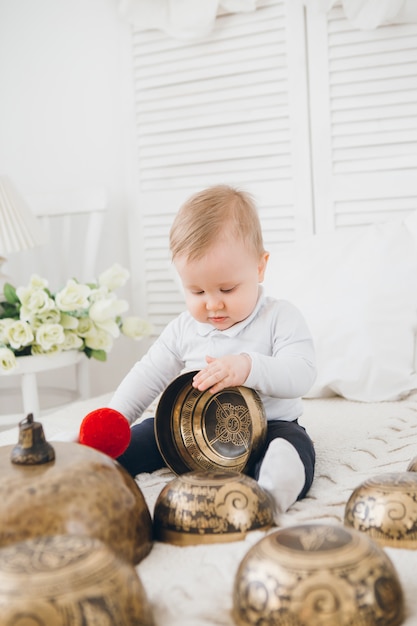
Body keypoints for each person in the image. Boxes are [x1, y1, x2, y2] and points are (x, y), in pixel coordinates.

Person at [109, 185, 317, 519]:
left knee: (291, 450)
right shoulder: (183, 327)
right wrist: (114, 420)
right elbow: (148, 374)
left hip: (271, 427)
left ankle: (269, 496)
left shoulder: (279, 316)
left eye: (227, 288)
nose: (213, 303)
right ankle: (94, 467)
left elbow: (302, 372)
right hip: (189, 433)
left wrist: (249, 367)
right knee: (136, 439)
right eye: (196, 290)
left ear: (260, 267)